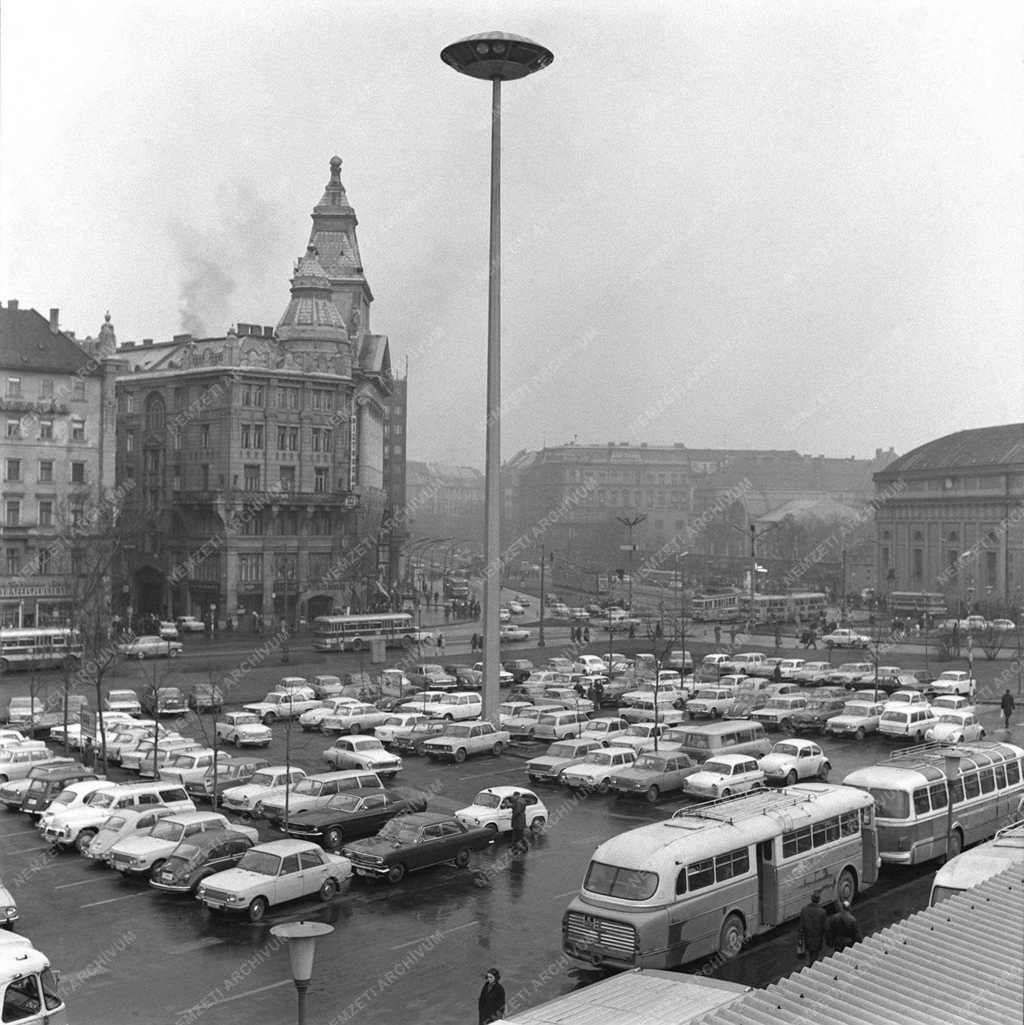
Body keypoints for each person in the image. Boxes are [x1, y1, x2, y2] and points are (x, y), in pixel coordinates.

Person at [798, 891, 827, 964]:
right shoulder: (822, 912)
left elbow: (801, 926)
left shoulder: (804, 910)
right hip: (817, 939)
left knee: (810, 954)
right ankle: (811, 967)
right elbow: (824, 927)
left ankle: (810, 965)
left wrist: (800, 939)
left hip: (807, 937)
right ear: (819, 900)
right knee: (814, 956)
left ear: (811, 899)